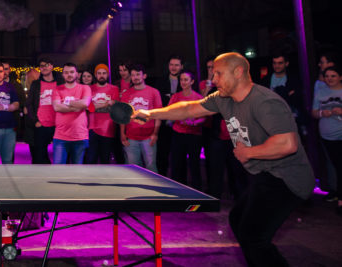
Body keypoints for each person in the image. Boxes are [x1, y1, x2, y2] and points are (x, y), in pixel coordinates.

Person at [133, 52, 315, 267]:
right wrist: (151, 114)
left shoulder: (265, 101)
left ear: (238, 72)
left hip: (287, 178)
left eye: (218, 73)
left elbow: (287, 144)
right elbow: (189, 108)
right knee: (238, 220)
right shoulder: (222, 98)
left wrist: (249, 152)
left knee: (253, 236)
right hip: (266, 174)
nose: (214, 79)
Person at [312, 65, 342, 215]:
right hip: (327, 136)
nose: (329, 79)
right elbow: (314, 112)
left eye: (333, 76)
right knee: (338, 166)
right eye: (327, 76)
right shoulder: (321, 92)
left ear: (340, 77)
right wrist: (322, 113)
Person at [120, 64, 162, 172]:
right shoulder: (126, 94)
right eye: (133, 75)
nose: (135, 77)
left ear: (144, 76)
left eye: (138, 74)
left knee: (151, 168)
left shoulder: (154, 92)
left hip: (149, 137)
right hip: (131, 137)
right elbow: (123, 116)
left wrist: (155, 133)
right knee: (134, 170)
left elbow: (158, 115)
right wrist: (122, 134)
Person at [169, 71, 204, 189]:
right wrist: (178, 117)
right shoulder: (176, 96)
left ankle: (196, 192)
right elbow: (169, 112)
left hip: (194, 135)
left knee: (194, 165)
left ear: (192, 82)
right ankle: (178, 190)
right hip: (178, 134)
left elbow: (204, 117)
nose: (183, 82)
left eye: (186, 80)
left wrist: (193, 123)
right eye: (181, 80)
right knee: (177, 164)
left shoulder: (198, 98)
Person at [51, 63, 91, 164]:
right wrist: (77, 106)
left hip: (80, 136)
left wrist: (66, 103)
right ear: (63, 75)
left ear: (77, 74)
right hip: (60, 137)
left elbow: (85, 103)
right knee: (58, 170)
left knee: (77, 171)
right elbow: (57, 107)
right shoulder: (57, 89)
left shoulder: (85, 88)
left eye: (72, 72)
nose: (69, 74)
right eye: (66, 72)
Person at [24, 58, 62, 164]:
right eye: (41, 66)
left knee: (61, 158)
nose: (44, 67)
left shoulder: (60, 83)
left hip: (58, 125)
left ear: (52, 66)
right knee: (39, 158)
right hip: (41, 124)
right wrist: (35, 121)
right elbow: (29, 104)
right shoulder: (36, 84)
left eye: (47, 65)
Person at [154, 55, 184, 176]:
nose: (173, 67)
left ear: (181, 66)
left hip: (180, 124)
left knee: (179, 157)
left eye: (176, 65)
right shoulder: (161, 81)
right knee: (162, 155)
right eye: (171, 64)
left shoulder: (185, 81)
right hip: (164, 124)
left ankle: (179, 182)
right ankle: (162, 180)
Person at [86, 64, 121, 164]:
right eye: (99, 73)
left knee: (105, 160)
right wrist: (106, 104)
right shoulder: (89, 89)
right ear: (95, 75)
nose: (101, 75)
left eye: (104, 73)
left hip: (108, 129)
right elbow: (88, 108)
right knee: (91, 160)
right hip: (92, 128)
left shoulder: (114, 89)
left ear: (108, 74)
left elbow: (114, 108)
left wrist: (95, 107)